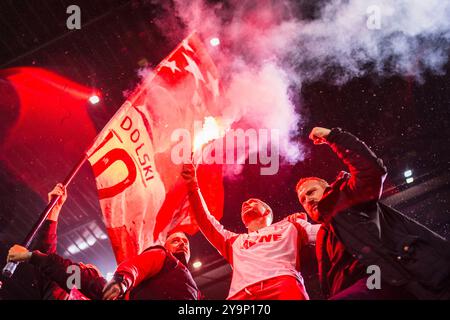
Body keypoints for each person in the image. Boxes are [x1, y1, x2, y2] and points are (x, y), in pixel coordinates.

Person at [296, 127, 450, 300]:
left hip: (379, 280)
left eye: (311, 192)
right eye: (302, 200)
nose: (307, 200)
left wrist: (334, 137)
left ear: (328, 188)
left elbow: (371, 171)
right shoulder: (323, 236)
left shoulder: (346, 196)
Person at [181, 163, 320, 300]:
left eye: (253, 202)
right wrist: (193, 184)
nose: (245, 204)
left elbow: (328, 230)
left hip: (283, 285)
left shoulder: (291, 226)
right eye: (244, 205)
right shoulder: (233, 241)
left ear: (267, 212)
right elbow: (205, 221)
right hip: (241, 294)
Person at [7, 183, 106, 300]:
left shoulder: (101, 291)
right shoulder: (60, 290)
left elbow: (66, 271)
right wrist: (54, 210)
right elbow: (48, 261)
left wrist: (30, 256)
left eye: (87, 269)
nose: (80, 264)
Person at [102, 231, 201, 300]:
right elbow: (137, 266)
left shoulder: (197, 292)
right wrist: (121, 280)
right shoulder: (162, 255)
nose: (182, 244)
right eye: (175, 241)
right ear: (165, 246)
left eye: (185, 242)